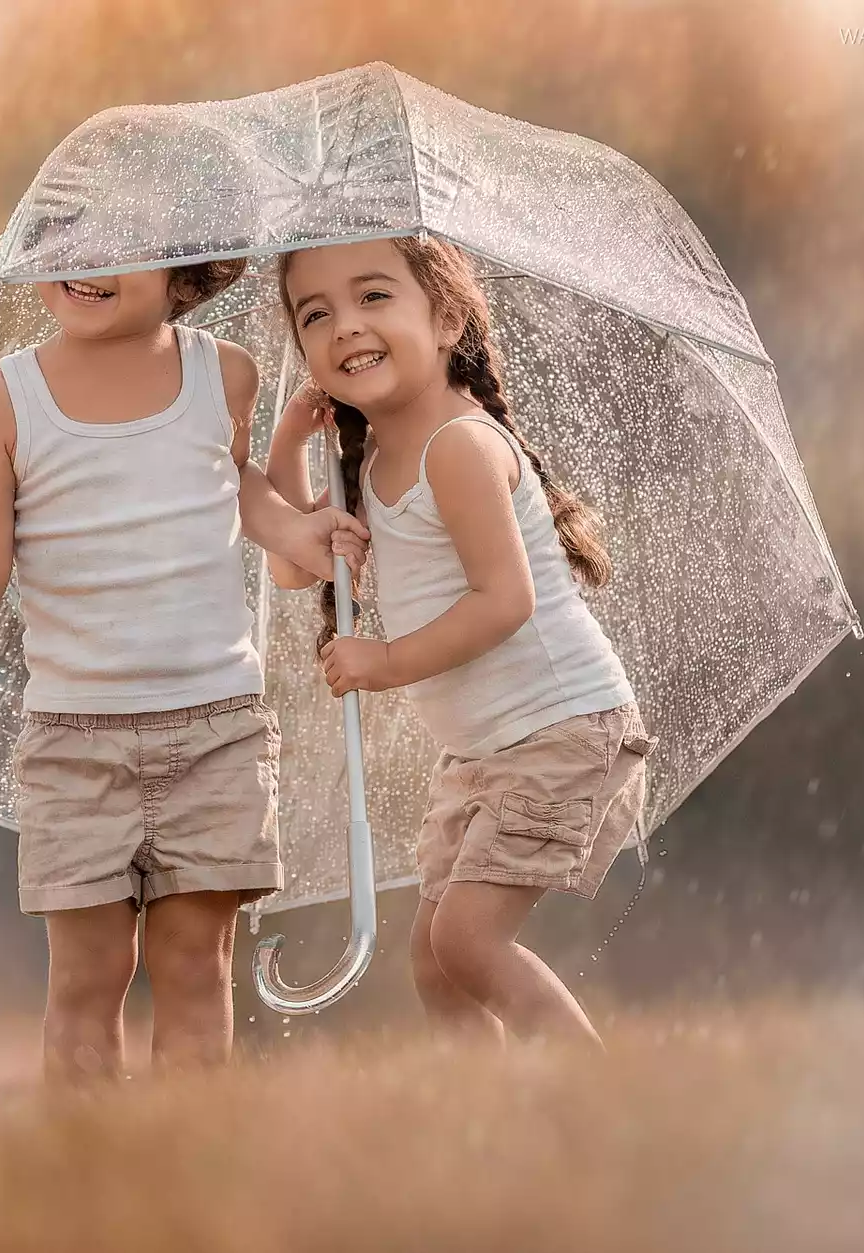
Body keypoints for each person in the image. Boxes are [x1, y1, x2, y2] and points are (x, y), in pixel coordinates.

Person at [0, 259, 366, 1079]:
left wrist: (297, 534)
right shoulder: (8, 401)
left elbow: (237, 487)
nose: (84, 264)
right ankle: (85, 1166)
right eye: (66, 242)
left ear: (183, 270)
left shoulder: (224, 373)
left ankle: (186, 1162)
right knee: (89, 973)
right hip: (74, 740)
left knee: (195, 964)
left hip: (216, 728)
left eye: (120, 245)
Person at [265, 234, 654, 1049]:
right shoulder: (369, 462)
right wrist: (290, 448)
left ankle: (607, 1099)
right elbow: (298, 570)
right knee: (436, 965)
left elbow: (504, 601)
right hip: (484, 751)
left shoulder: (459, 447)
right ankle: (481, 1126)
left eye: (374, 297)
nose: (345, 326)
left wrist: (385, 662)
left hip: (558, 730)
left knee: (467, 942)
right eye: (316, 312)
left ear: (446, 318)